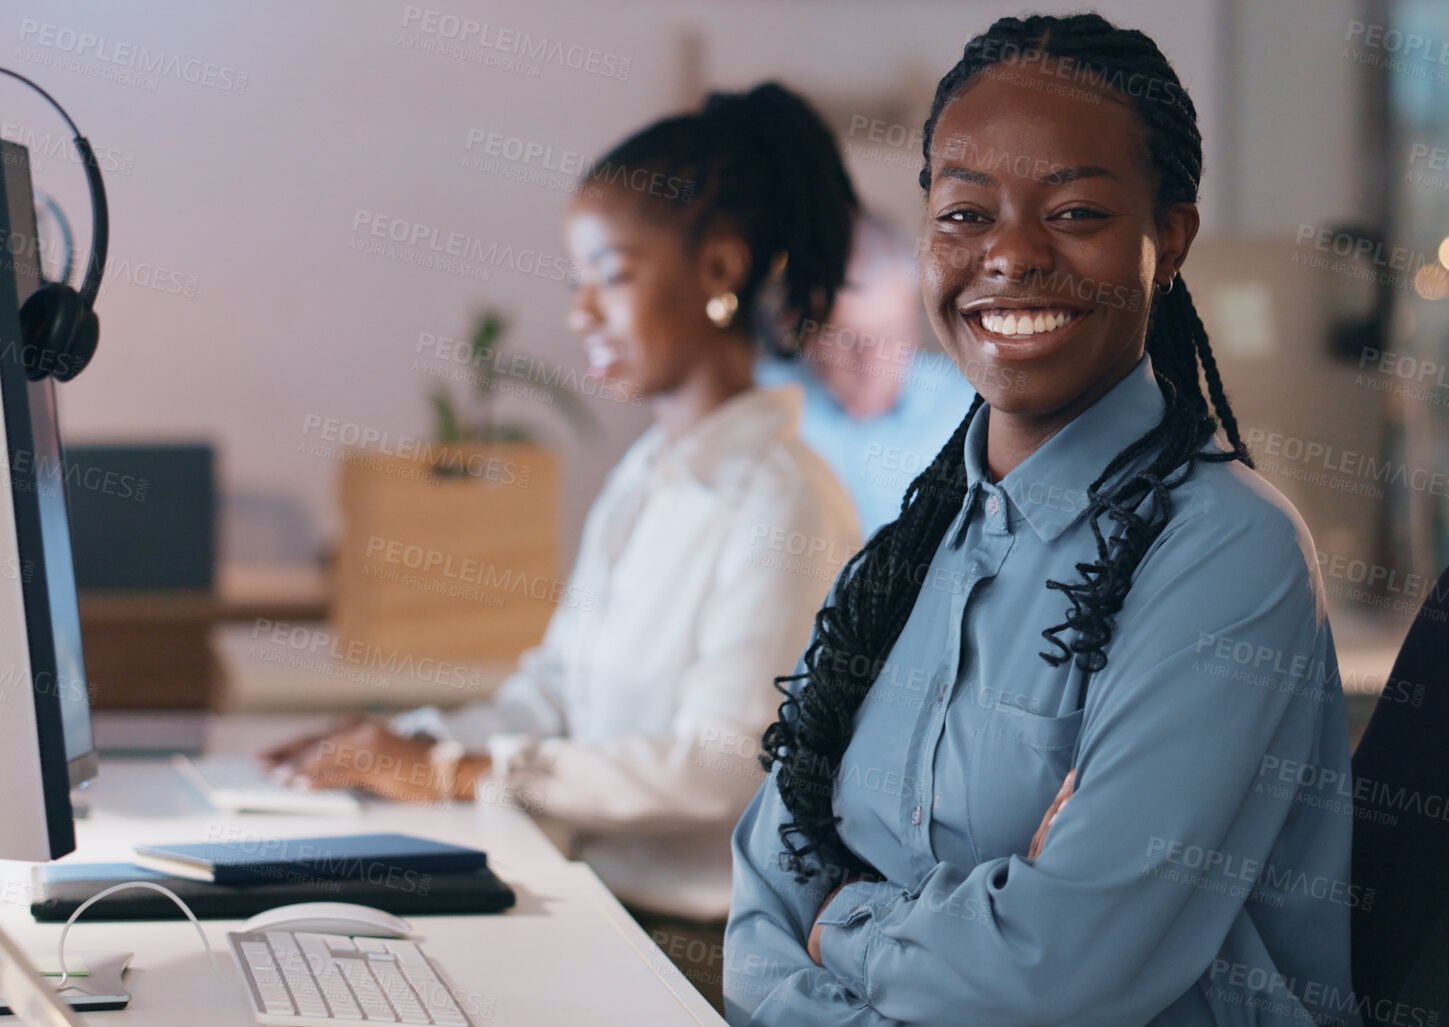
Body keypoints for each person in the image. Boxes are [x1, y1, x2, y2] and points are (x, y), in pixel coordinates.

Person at [724, 14, 1357, 1027]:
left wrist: (844, 924)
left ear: (1171, 240)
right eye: (966, 214)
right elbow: (764, 897)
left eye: (1074, 211)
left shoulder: (1228, 552)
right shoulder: (916, 544)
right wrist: (913, 937)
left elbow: (1058, 975)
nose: (1010, 256)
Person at [262, 82, 863, 1009]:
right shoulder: (645, 477)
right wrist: (398, 742)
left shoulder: (782, 499)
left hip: (701, 949)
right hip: (606, 902)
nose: (582, 312)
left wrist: (459, 773)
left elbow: (714, 764)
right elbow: (553, 690)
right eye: (575, 280)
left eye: (612, 274)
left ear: (717, 270)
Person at [756, 211, 976, 535]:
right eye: (849, 339)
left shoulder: (970, 413)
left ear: (916, 327)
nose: (871, 362)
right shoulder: (760, 405)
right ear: (808, 333)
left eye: (891, 335)